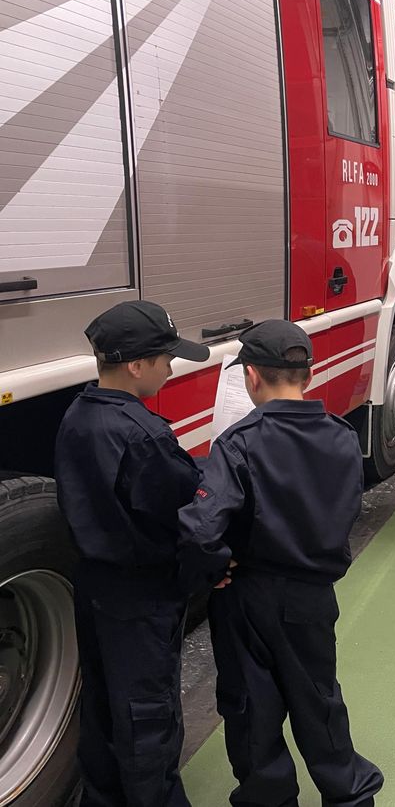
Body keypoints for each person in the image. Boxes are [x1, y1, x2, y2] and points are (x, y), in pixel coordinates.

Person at [177, 320, 383, 807]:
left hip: (248, 595)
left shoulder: (239, 442)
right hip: (313, 597)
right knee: (319, 700)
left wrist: (216, 568)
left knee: (251, 708)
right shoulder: (341, 436)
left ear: (250, 377)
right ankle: (350, 795)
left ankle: (268, 797)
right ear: (308, 376)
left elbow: (199, 529)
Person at [54, 300, 210, 806]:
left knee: (101, 706)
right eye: (166, 358)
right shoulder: (144, 435)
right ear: (136, 366)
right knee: (148, 718)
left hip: (95, 587)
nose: (170, 368)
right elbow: (184, 511)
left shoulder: (78, 414)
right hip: (142, 599)